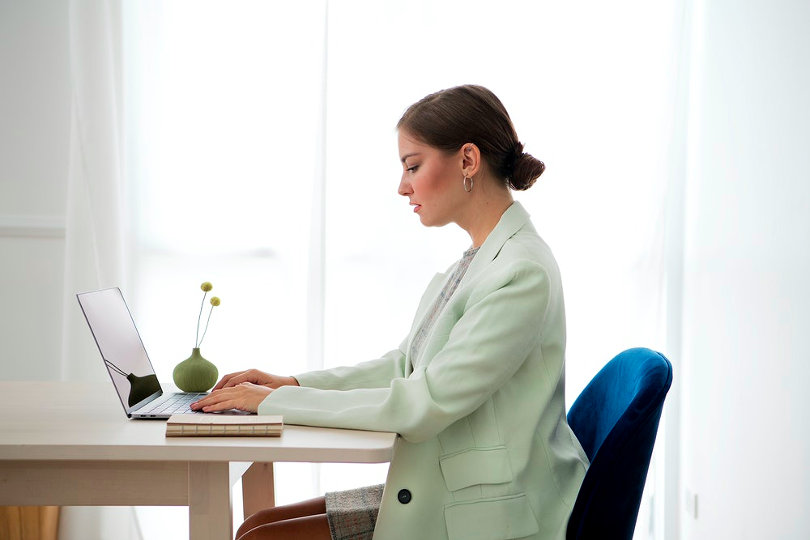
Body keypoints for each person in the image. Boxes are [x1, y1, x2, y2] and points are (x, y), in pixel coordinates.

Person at [191, 84, 589, 540]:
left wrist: (273, 404)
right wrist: (293, 384)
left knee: (259, 538)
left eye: (413, 166)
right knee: (257, 525)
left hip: (492, 510)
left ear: (467, 161)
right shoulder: (477, 261)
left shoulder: (521, 274)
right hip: (449, 481)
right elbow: (404, 365)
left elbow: (424, 402)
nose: (403, 187)